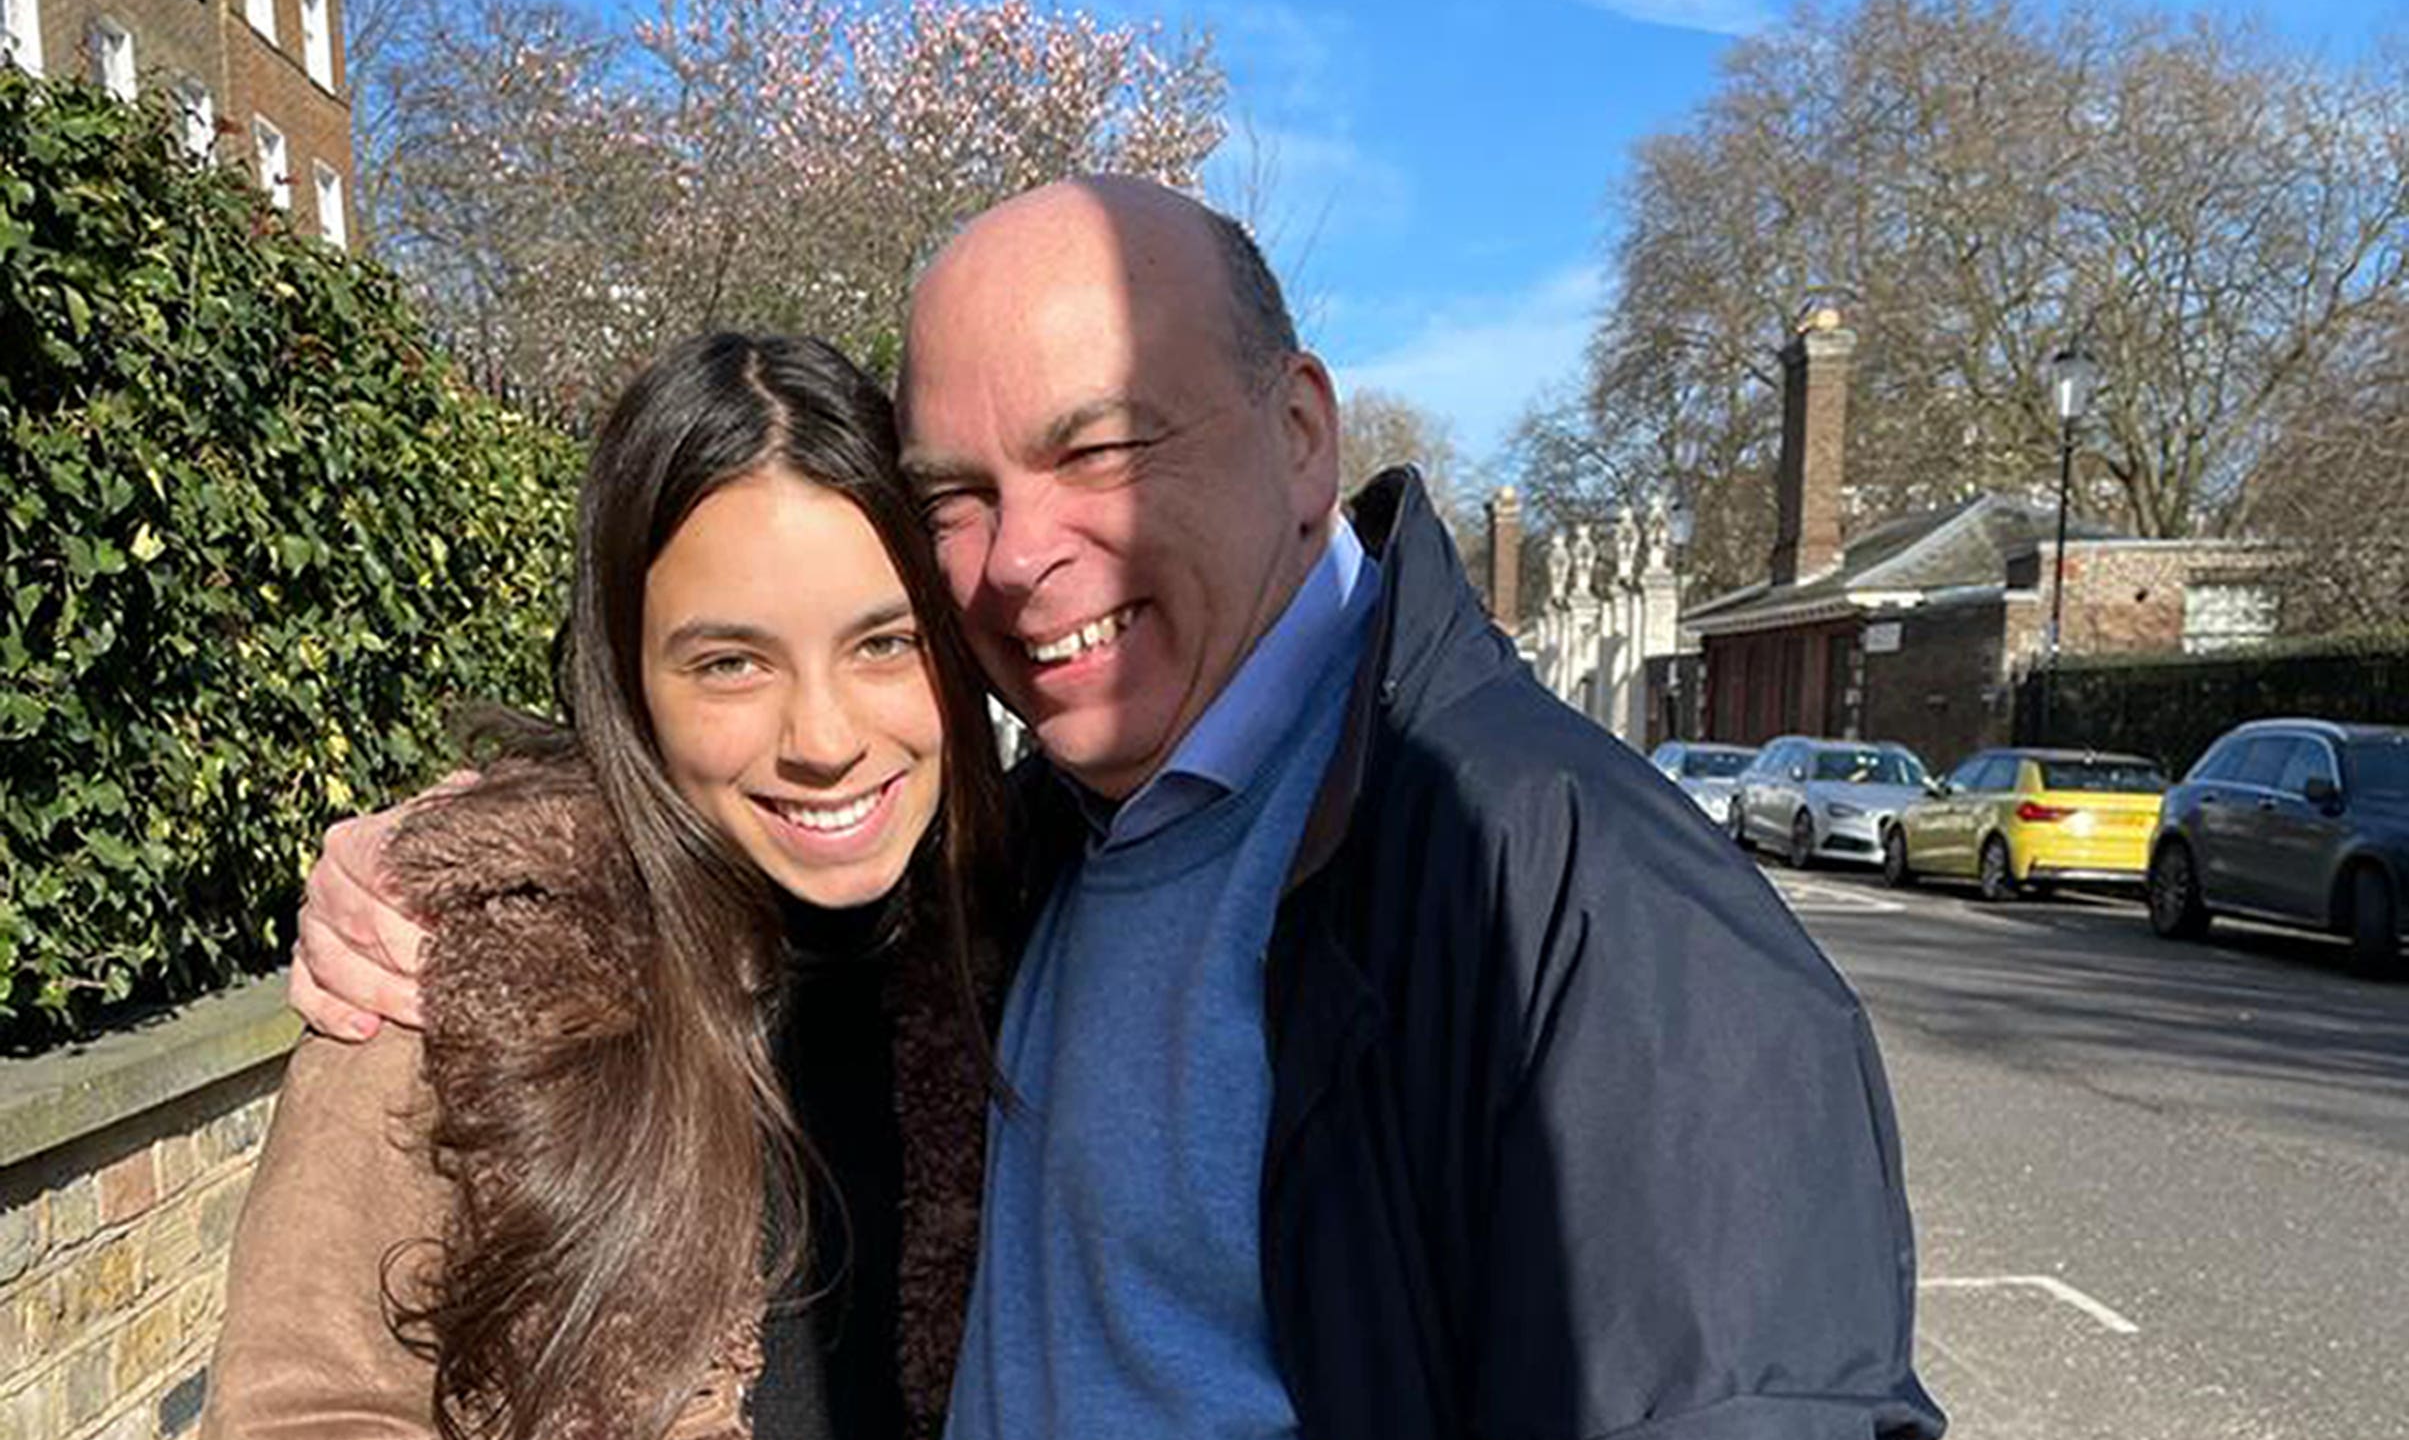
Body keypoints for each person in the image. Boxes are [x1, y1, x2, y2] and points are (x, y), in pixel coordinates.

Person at [296, 178, 1946, 1439]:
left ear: (1300, 433)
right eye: (960, 494)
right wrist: (461, 868)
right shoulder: (1065, 839)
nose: (1021, 560)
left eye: (1101, 452)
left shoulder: (1560, 900)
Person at [209, 334, 1004, 1440]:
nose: (823, 738)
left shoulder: (1032, 932)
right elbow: (304, 1408)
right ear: (629, 679)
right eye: (730, 661)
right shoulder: (451, 975)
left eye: (885, 642)